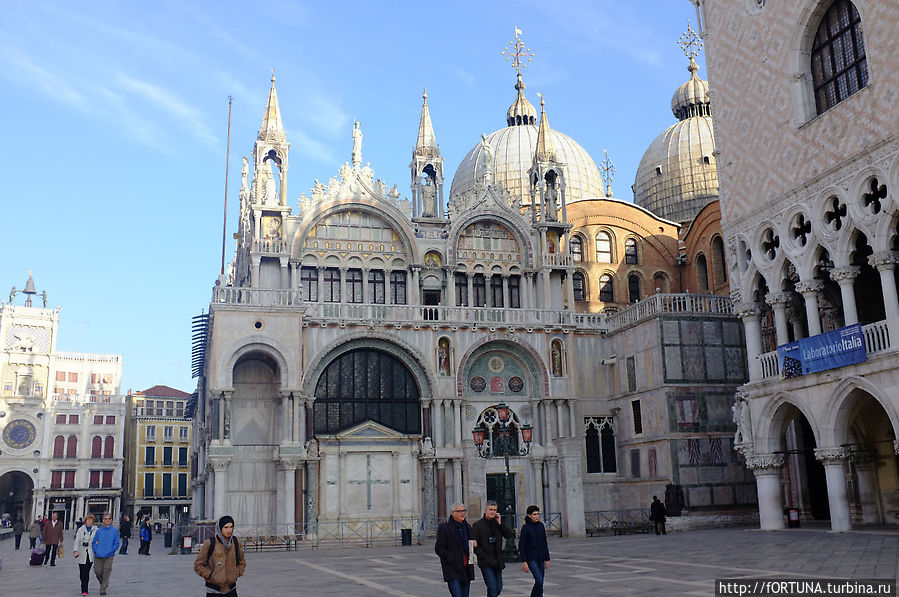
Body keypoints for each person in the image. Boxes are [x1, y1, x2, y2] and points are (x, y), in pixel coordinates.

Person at [194, 515, 246, 597]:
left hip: (231, 590)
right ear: (220, 528)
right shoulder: (210, 543)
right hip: (214, 591)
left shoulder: (236, 542)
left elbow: (241, 561)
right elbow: (198, 565)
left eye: (231, 527)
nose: (229, 530)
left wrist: (237, 572)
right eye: (226, 527)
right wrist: (210, 575)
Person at [471, 501, 513, 597]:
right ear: (485, 510)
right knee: (492, 588)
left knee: (499, 588)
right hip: (486, 562)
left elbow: (509, 534)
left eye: (494, 510)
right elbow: (475, 546)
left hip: (497, 561)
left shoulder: (498, 524)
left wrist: (500, 523)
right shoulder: (477, 525)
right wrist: (483, 556)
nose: (492, 512)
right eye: (490, 510)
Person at [435, 503, 476, 597]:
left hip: (466, 568)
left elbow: (472, 543)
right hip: (452, 569)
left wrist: (474, 544)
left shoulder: (467, 527)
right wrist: (451, 558)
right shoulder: (445, 528)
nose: (462, 513)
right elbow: (439, 548)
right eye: (459, 511)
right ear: (453, 513)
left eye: (464, 511)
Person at [518, 506, 550, 597]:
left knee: (540, 582)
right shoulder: (525, 528)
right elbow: (522, 545)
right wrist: (524, 561)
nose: (537, 516)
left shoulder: (541, 526)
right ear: (529, 515)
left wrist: (547, 559)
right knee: (539, 580)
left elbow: (544, 543)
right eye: (534, 514)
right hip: (531, 558)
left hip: (541, 557)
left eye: (538, 514)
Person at [91, 513, 120, 596]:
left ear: (111, 520)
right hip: (98, 554)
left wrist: (112, 550)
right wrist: (95, 550)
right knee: (98, 571)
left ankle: (103, 588)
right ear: (103, 520)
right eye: (105, 519)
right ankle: (103, 583)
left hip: (109, 555)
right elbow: (94, 542)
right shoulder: (99, 531)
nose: (107, 520)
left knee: (106, 570)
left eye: (109, 518)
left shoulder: (114, 531)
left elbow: (116, 543)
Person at [73, 513, 98, 596]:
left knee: (86, 572)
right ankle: (83, 585)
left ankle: (85, 589)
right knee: (82, 572)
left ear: (93, 522)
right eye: (88, 520)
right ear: (85, 521)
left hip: (90, 553)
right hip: (81, 552)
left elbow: (98, 540)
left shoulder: (96, 530)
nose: (89, 522)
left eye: (91, 521)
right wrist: (75, 550)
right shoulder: (81, 530)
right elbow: (77, 541)